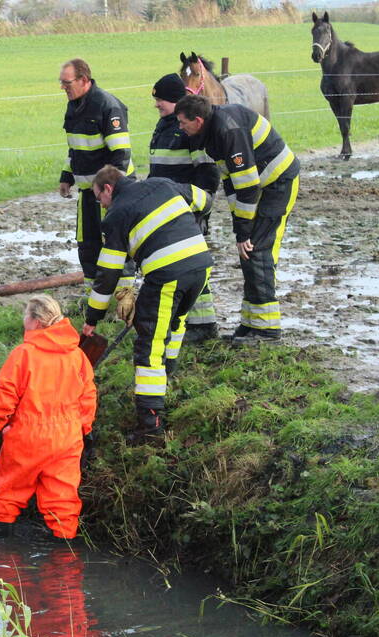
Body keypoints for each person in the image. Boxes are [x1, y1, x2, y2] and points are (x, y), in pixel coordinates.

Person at [81, 166, 213, 445]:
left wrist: (92, 318)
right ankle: (169, 381)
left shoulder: (116, 215)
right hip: (201, 265)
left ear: (107, 189)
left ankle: (150, 425)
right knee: (175, 324)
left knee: (149, 345)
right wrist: (196, 228)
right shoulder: (162, 183)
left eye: (99, 199)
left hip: (167, 275)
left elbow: (107, 272)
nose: (101, 206)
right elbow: (205, 199)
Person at [175, 94, 300, 344]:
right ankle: (250, 324)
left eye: (182, 123)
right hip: (260, 184)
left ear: (198, 120)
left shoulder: (227, 130)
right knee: (248, 253)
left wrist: (243, 233)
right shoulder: (210, 132)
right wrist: (239, 227)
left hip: (278, 183)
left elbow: (247, 184)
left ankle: (267, 332)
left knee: (257, 250)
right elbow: (231, 181)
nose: (180, 128)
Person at [0, 295, 97, 540]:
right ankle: (64, 565)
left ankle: (3, 558)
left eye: (25, 316)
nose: (23, 320)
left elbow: (5, 397)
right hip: (67, 437)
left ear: (36, 321)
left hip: (28, 436)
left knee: (9, 493)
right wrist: (86, 428)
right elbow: (87, 396)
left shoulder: (24, 355)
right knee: (62, 499)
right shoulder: (76, 355)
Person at [148, 74, 221, 344]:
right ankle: (190, 321)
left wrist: (197, 207)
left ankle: (204, 324)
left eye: (161, 99)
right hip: (170, 210)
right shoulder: (165, 126)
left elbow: (208, 173)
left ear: (177, 101)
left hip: (187, 209)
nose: (157, 104)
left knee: (192, 267)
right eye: (156, 99)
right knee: (179, 267)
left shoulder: (189, 131)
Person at [57, 58, 135, 289]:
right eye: (61, 82)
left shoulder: (107, 106)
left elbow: (121, 154)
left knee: (116, 244)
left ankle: (124, 300)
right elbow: (76, 146)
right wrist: (67, 175)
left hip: (113, 192)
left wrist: (111, 192)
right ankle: (94, 299)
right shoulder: (74, 105)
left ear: (83, 80)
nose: (63, 87)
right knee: (88, 245)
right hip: (89, 192)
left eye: (66, 83)